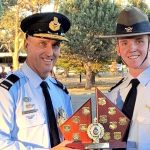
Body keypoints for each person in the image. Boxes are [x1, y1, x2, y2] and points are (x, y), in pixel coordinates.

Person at [0, 12, 77, 150]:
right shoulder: (8, 91)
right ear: (26, 45)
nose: (50, 53)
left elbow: (70, 137)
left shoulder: (61, 92)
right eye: (43, 43)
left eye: (55, 45)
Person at [101, 7, 150, 150]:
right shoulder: (113, 94)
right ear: (118, 48)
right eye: (124, 43)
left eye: (139, 41)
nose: (132, 48)